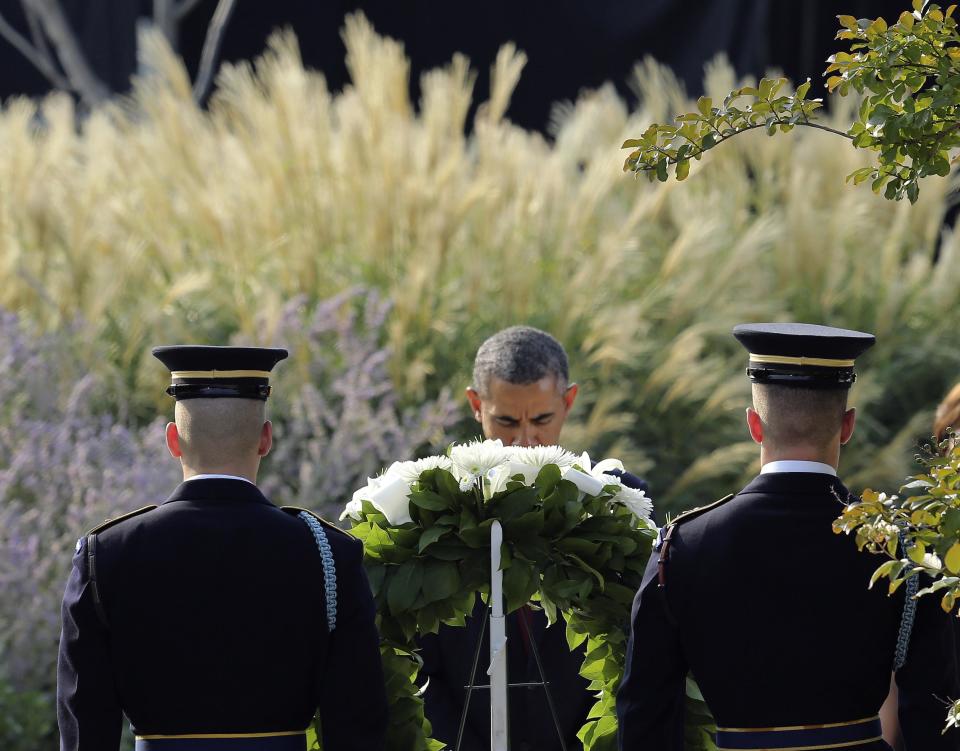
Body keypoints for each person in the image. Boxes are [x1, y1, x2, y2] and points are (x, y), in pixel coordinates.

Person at [616, 322, 960, 751]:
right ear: (848, 425)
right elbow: (937, 713)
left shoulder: (681, 546)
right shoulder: (900, 546)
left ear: (754, 425)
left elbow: (644, 712)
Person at [56, 345, 388, 751]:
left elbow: (85, 724)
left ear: (173, 440)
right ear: (266, 439)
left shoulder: (105, 554)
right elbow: (357, 722)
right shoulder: (328, 555)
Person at [421, 325, 647, 751]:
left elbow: (639, 658)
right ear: (475, 404)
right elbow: (417, 662)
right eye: (505, 420)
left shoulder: (618, 503)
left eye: (541, 419)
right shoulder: (431, 508)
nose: (524, 440)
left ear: (569, 402)